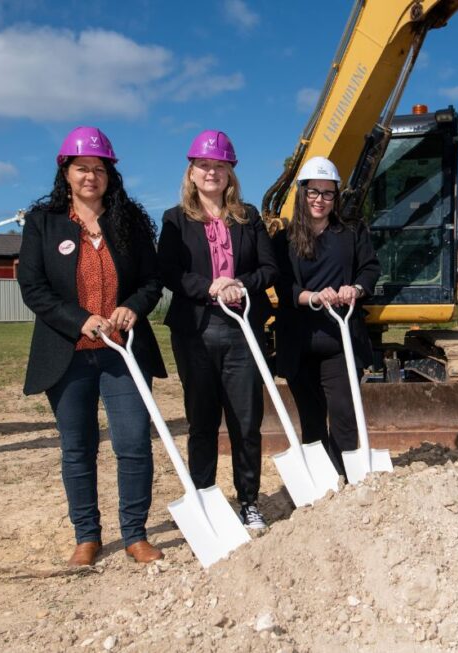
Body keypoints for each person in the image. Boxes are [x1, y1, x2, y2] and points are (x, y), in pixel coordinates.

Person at [18, 126, 167, 566]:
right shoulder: (43, 223)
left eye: (98, 169)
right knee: (78, 448)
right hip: (68, 356)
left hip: (123, 353)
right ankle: (87, 537)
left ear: (110, 174)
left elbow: (152, 280)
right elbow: (33, 287)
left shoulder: (131, 222)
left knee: (134, 442)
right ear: (65, 171)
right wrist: (80, 320)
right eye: (81, 168)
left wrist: (133, 308)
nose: (90, 177)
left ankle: (135, 534)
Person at [157, 130, 278, 530]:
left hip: (243, 331)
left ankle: (249, 501)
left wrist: (239, 284)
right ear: (191, 173)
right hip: (196, 330)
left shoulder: (249, 217)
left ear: (230, 174)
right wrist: (208, 286)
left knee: (246, 421)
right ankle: (204, 498)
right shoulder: (175, 220)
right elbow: (169, 272)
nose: (212, 172)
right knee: (202, 421)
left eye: (220, 166)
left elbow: (269, 268)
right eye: (204, 165)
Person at [271, 156, 380, 477]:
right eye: (313, 192)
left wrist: (356, 289)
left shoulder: (352, 233)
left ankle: (344, 480)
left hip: (340, 340)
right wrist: (313, 297)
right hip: (299, 341)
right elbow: (282, 284)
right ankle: (321, 483)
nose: (320, 200)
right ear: (301, 194)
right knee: (312, 420)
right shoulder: (284, 238)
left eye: (328, 193)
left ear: (337, 196)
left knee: (345, 416)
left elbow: (370, 268)